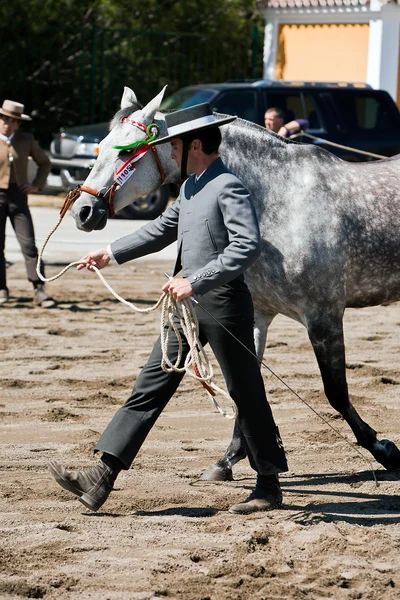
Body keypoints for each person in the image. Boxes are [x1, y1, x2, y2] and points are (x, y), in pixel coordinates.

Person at [48, 103, 288, 514]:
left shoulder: (228, 186)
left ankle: (268, 484)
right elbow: (161, 229)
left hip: (223, 304)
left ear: (195, 145)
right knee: (150, 385)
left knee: (245, 393)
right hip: (184, 306)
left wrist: (194, 280)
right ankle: (101, 476)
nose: (171, 155)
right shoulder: (192, 187)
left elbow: (246, 247)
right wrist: (109, 252)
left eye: (173, 147)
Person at [0, 99, 55, 307]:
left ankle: (39, 289)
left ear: (18, 124)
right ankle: (1, 288)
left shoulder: (26, 140)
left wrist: (36, 185)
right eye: (3, 118)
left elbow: (45, 162)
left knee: (29, 244)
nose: (6, 123)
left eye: (11, 120)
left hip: (18, 195)